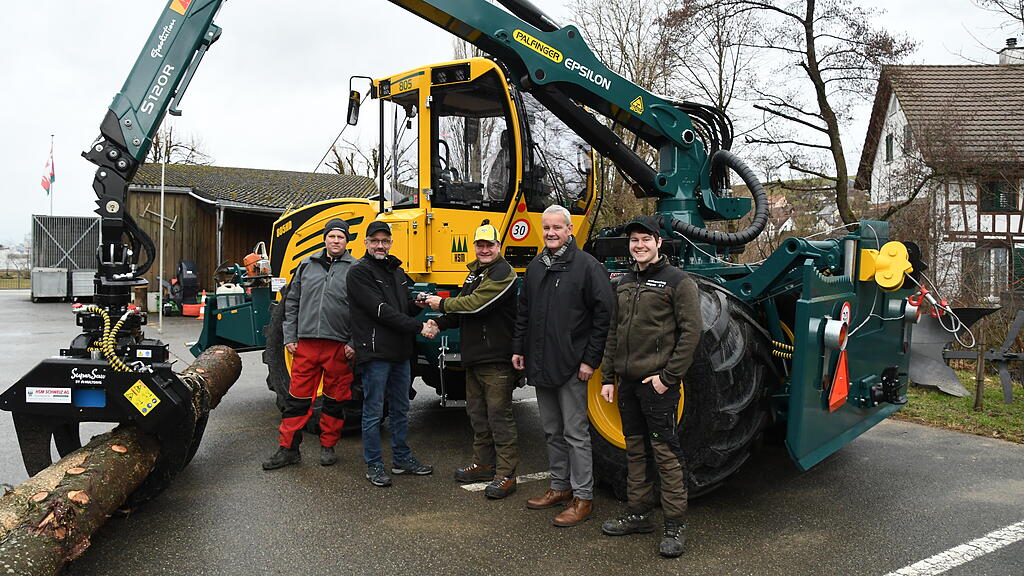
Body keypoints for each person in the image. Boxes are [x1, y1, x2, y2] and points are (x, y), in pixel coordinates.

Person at [598, 215, 702, 558]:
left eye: (645, 239)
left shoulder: (678, 282)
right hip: (626, 384)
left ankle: (675, 523)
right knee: (635, 451)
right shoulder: (625, 282)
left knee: (666, 454)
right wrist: (607, 378)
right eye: (633, 241)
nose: (638, 245)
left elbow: (691, 333)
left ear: (659, 242)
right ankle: (638, 513)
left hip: (657, 386)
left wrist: (667, 378)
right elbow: (614, 332)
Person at [512, 204, 613, 527]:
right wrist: (519, 349)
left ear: (570, 230)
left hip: (572, 365)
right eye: (547, 228)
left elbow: (603, 317)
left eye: (558, 228)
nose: (552, 233)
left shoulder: (586, 267)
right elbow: (524, 312)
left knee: (575, 433)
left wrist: (590, 360)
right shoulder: (536, 267)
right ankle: (559, 486)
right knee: (551, 430)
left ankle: (583, 497)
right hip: (541, 364)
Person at [423, 220, 519, 499]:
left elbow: (476, 305)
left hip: (496, 359)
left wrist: (440, 303)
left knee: (500, 417)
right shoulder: (474, 274)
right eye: (480, 245)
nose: (485, 249)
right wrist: (439, 324)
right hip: (474, 356)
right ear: (474, 247)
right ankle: (484, 463)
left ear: (498, 246)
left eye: (490, 244)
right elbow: (460, 312)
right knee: (477, 415)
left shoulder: (503, 273)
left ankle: (506, 474)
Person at [347, 220, 438, 487]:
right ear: (365, 243)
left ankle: (401, 458)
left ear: (390, 243)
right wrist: (420, 327)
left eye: (385, 241)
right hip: (375, 353)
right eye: (374, 241)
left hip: (400, 352)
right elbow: (381, 311)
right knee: (374, 410)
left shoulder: (396, 272)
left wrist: (418, 304)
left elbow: (402, 308)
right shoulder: (359, 273)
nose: (380, 245)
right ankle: (374, 464)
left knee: (401, 408)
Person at [262, 218, 356, 471]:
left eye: (341, 237)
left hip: (338, 346)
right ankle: (288, 450)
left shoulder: (355, 269)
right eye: (332, 236)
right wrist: (290, 335)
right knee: (296, 400)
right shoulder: (306, 265)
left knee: (335, 401)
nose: (336, 241)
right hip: (306, 346)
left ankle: (328, 446)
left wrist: (353, 342)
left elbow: (361, 311)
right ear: (325, 239)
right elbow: (291, 302)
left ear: (347, 241)